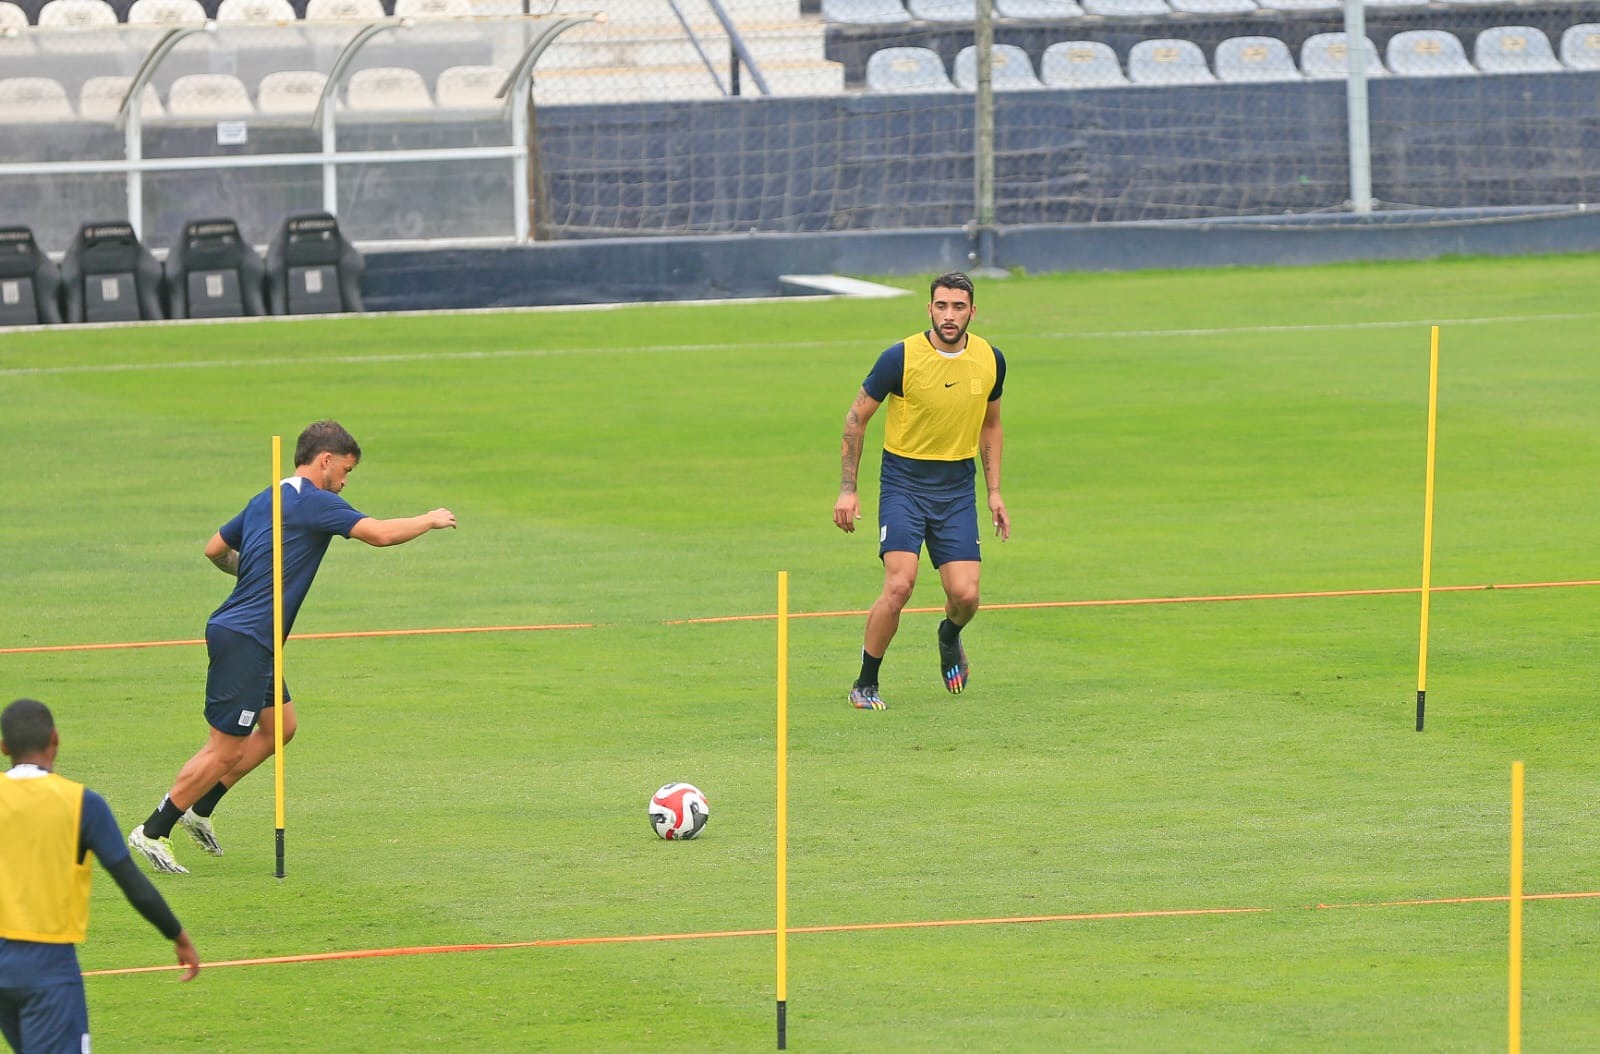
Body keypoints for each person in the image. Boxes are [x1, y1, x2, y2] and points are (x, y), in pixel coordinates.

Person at [128, 420, 457, 875]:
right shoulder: (316, 502)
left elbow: (214, 549)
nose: (343, 482)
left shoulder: (267, 498)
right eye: (345, 471)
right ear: (325, 460)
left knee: (280, 727)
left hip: (253, 638)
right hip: (247, 637)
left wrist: (254, 571)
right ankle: (153, 830)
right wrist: (431, 518)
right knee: (224, 748)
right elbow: (379, 533)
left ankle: (201, 808)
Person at [832, 272, 1011, 711]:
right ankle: (865, 683)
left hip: (956, 488)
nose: (949, 316)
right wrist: (848, 490)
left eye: (958, 307)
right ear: (929, 308)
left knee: (966, 596)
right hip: (904, 484)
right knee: (899, 585)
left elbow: (991, 424)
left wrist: (994, 492)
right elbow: (856, 419)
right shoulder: (901, 358)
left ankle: (948, 635)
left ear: (973, 310)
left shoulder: (991, 359)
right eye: (941, 306)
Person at [1, 698, 200, 1054]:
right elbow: (132, 883)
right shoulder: (82, 804)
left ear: (3, 747)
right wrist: (177, 934)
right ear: (55, 740)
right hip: (48, 967)